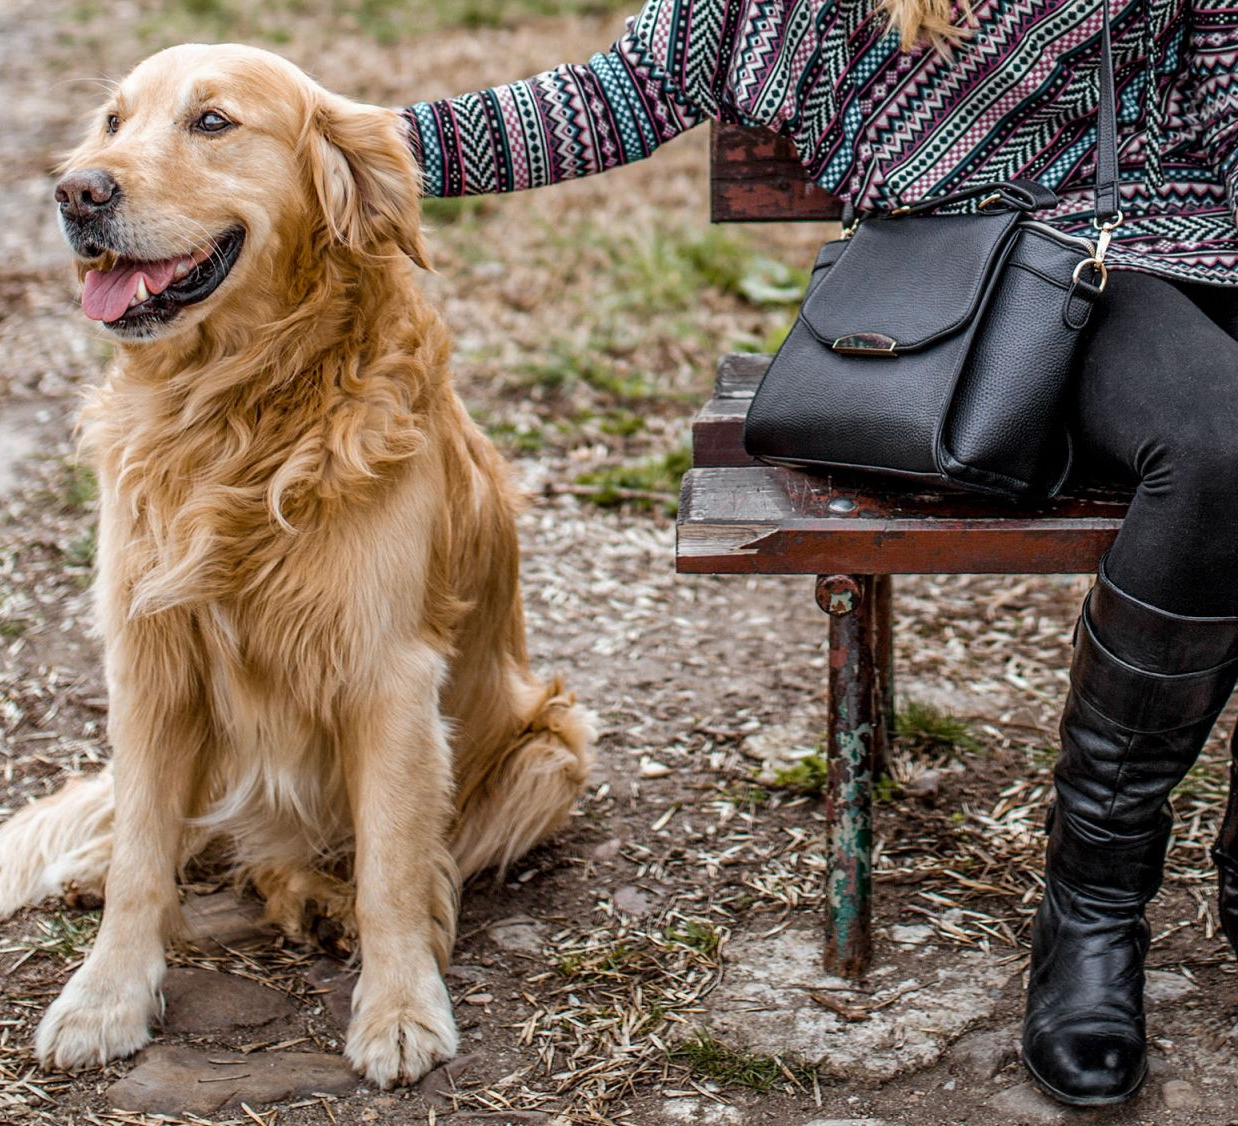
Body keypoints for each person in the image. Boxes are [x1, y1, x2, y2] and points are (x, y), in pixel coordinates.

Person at [398, 0, 1238, 1107]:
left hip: (1202, 250)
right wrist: (342, 142)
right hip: (1023, 284)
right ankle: (1090, 904)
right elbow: (613, 96)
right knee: (1221, 449)